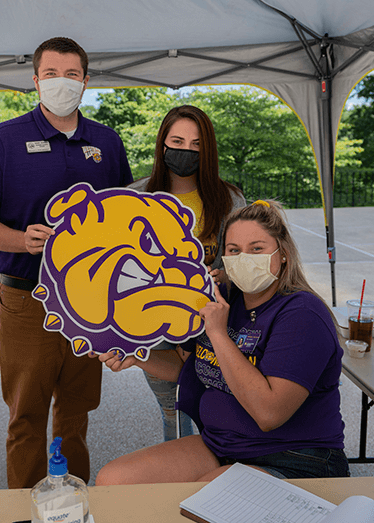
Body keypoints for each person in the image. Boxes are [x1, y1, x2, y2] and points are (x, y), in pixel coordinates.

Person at [0, 37, 133, 489]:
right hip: (25, 298)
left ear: (86, 81)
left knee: (75, 413)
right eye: (51, 74)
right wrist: (21, 239)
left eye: (71, 74)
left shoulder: (107, 143)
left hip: (89, 304)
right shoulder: (6, 139)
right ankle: (26, 509)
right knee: (26, 416)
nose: (62, 82)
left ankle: (72, 504)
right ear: (35, 81)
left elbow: (125, 220)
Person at [95, 199, 348, 484]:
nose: (244, 258)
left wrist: (217, 333)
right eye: (234, 250)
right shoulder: (226, 299)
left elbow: (269, 412)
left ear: (283, 253)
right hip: (221, 445)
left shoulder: (302, 313)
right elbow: (189, 368)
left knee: (201, 500)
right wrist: (137, 356)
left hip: (294, 457)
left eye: (257, 249)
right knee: (112, 481)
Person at [128, 104, 246, 442]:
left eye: (197, 145)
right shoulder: (136, 197)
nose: (187, 151)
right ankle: (180, 480)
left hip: (216, 324)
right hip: (157, 326)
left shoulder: (230, 199)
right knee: (174, 409)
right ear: (162, 144)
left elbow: (244, 259)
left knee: (221, 404)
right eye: (177, 142)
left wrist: (223, 276)